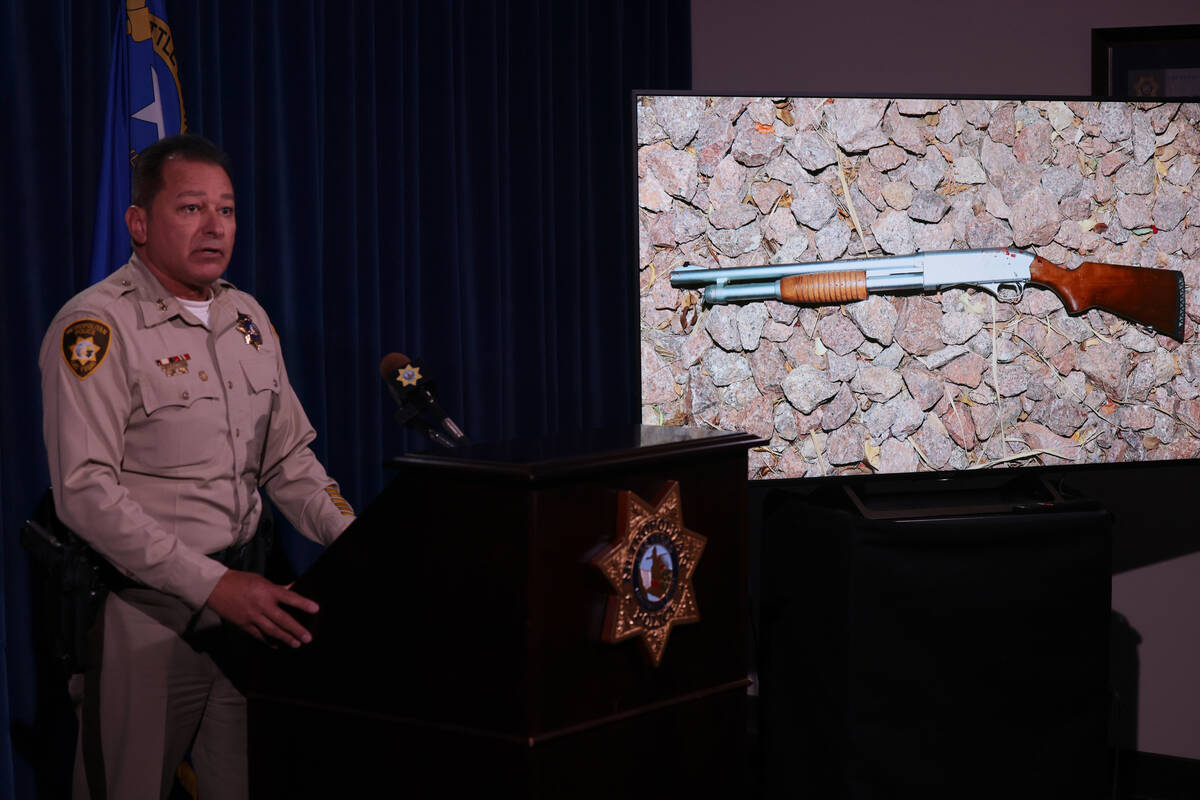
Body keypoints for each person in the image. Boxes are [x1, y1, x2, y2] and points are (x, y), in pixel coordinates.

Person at [39, 134, 355, 799]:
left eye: (228, 210)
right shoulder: (96, 329)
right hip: (142, 615)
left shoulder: (247, 318)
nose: (215, 226)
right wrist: (211, 585)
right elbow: (84, 492)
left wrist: (357, 542)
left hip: (248, 612)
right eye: (191, 208)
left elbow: (289, 459)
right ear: (139, 223)